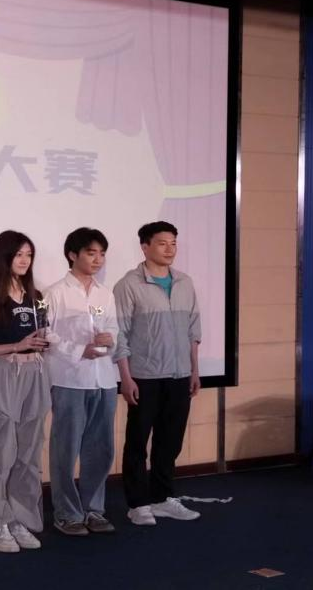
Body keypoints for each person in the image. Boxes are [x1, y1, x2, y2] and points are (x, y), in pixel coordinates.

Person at [113, 221, 202, 527]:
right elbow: (119, 334)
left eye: (173, 243)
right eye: (162, 243)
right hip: (144, 376)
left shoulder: (185, 282)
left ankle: (162, 498)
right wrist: (126, 378)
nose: (169, 249)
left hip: (179, 375)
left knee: (170, 441)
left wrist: (194, 370)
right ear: (145, 246)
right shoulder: (129, 284)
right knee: (138, 442)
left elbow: (193, 331)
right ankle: (137, 504)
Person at [0, 230, 51, 553]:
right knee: (0, 451)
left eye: (29, 255)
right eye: (18, 254)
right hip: (3, 372)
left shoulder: (35, 295)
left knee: (29, 451)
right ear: (3, 257)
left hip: (35, 372)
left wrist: (45, 341)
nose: (25, 260)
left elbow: (41, 332)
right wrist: (16, 345)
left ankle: (20, 518)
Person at [44, 227, 118, 536]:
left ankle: (93, 509)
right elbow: (45, 334)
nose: (98, 259)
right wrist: (78, 350)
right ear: (73, 255)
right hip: (69, 380)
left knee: (101, 449)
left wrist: (109, 339)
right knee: (66, 449)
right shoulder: (53, 293)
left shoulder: (105, 293)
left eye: (102, 254)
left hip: (104, 379)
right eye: (91, 253)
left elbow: (114, 328)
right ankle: (66, 513)